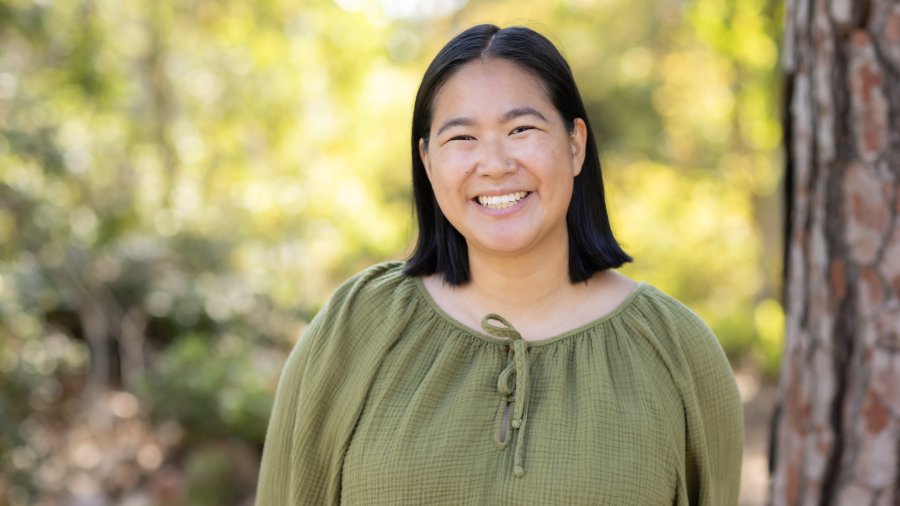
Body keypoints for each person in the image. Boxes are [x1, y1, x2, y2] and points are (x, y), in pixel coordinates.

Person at [256, 24, 743, 505]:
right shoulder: (356, 328)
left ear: (575, 145)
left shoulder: (678, 351)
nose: (493, 163)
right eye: (462, 138)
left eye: (521, 129)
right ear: (427, 164)